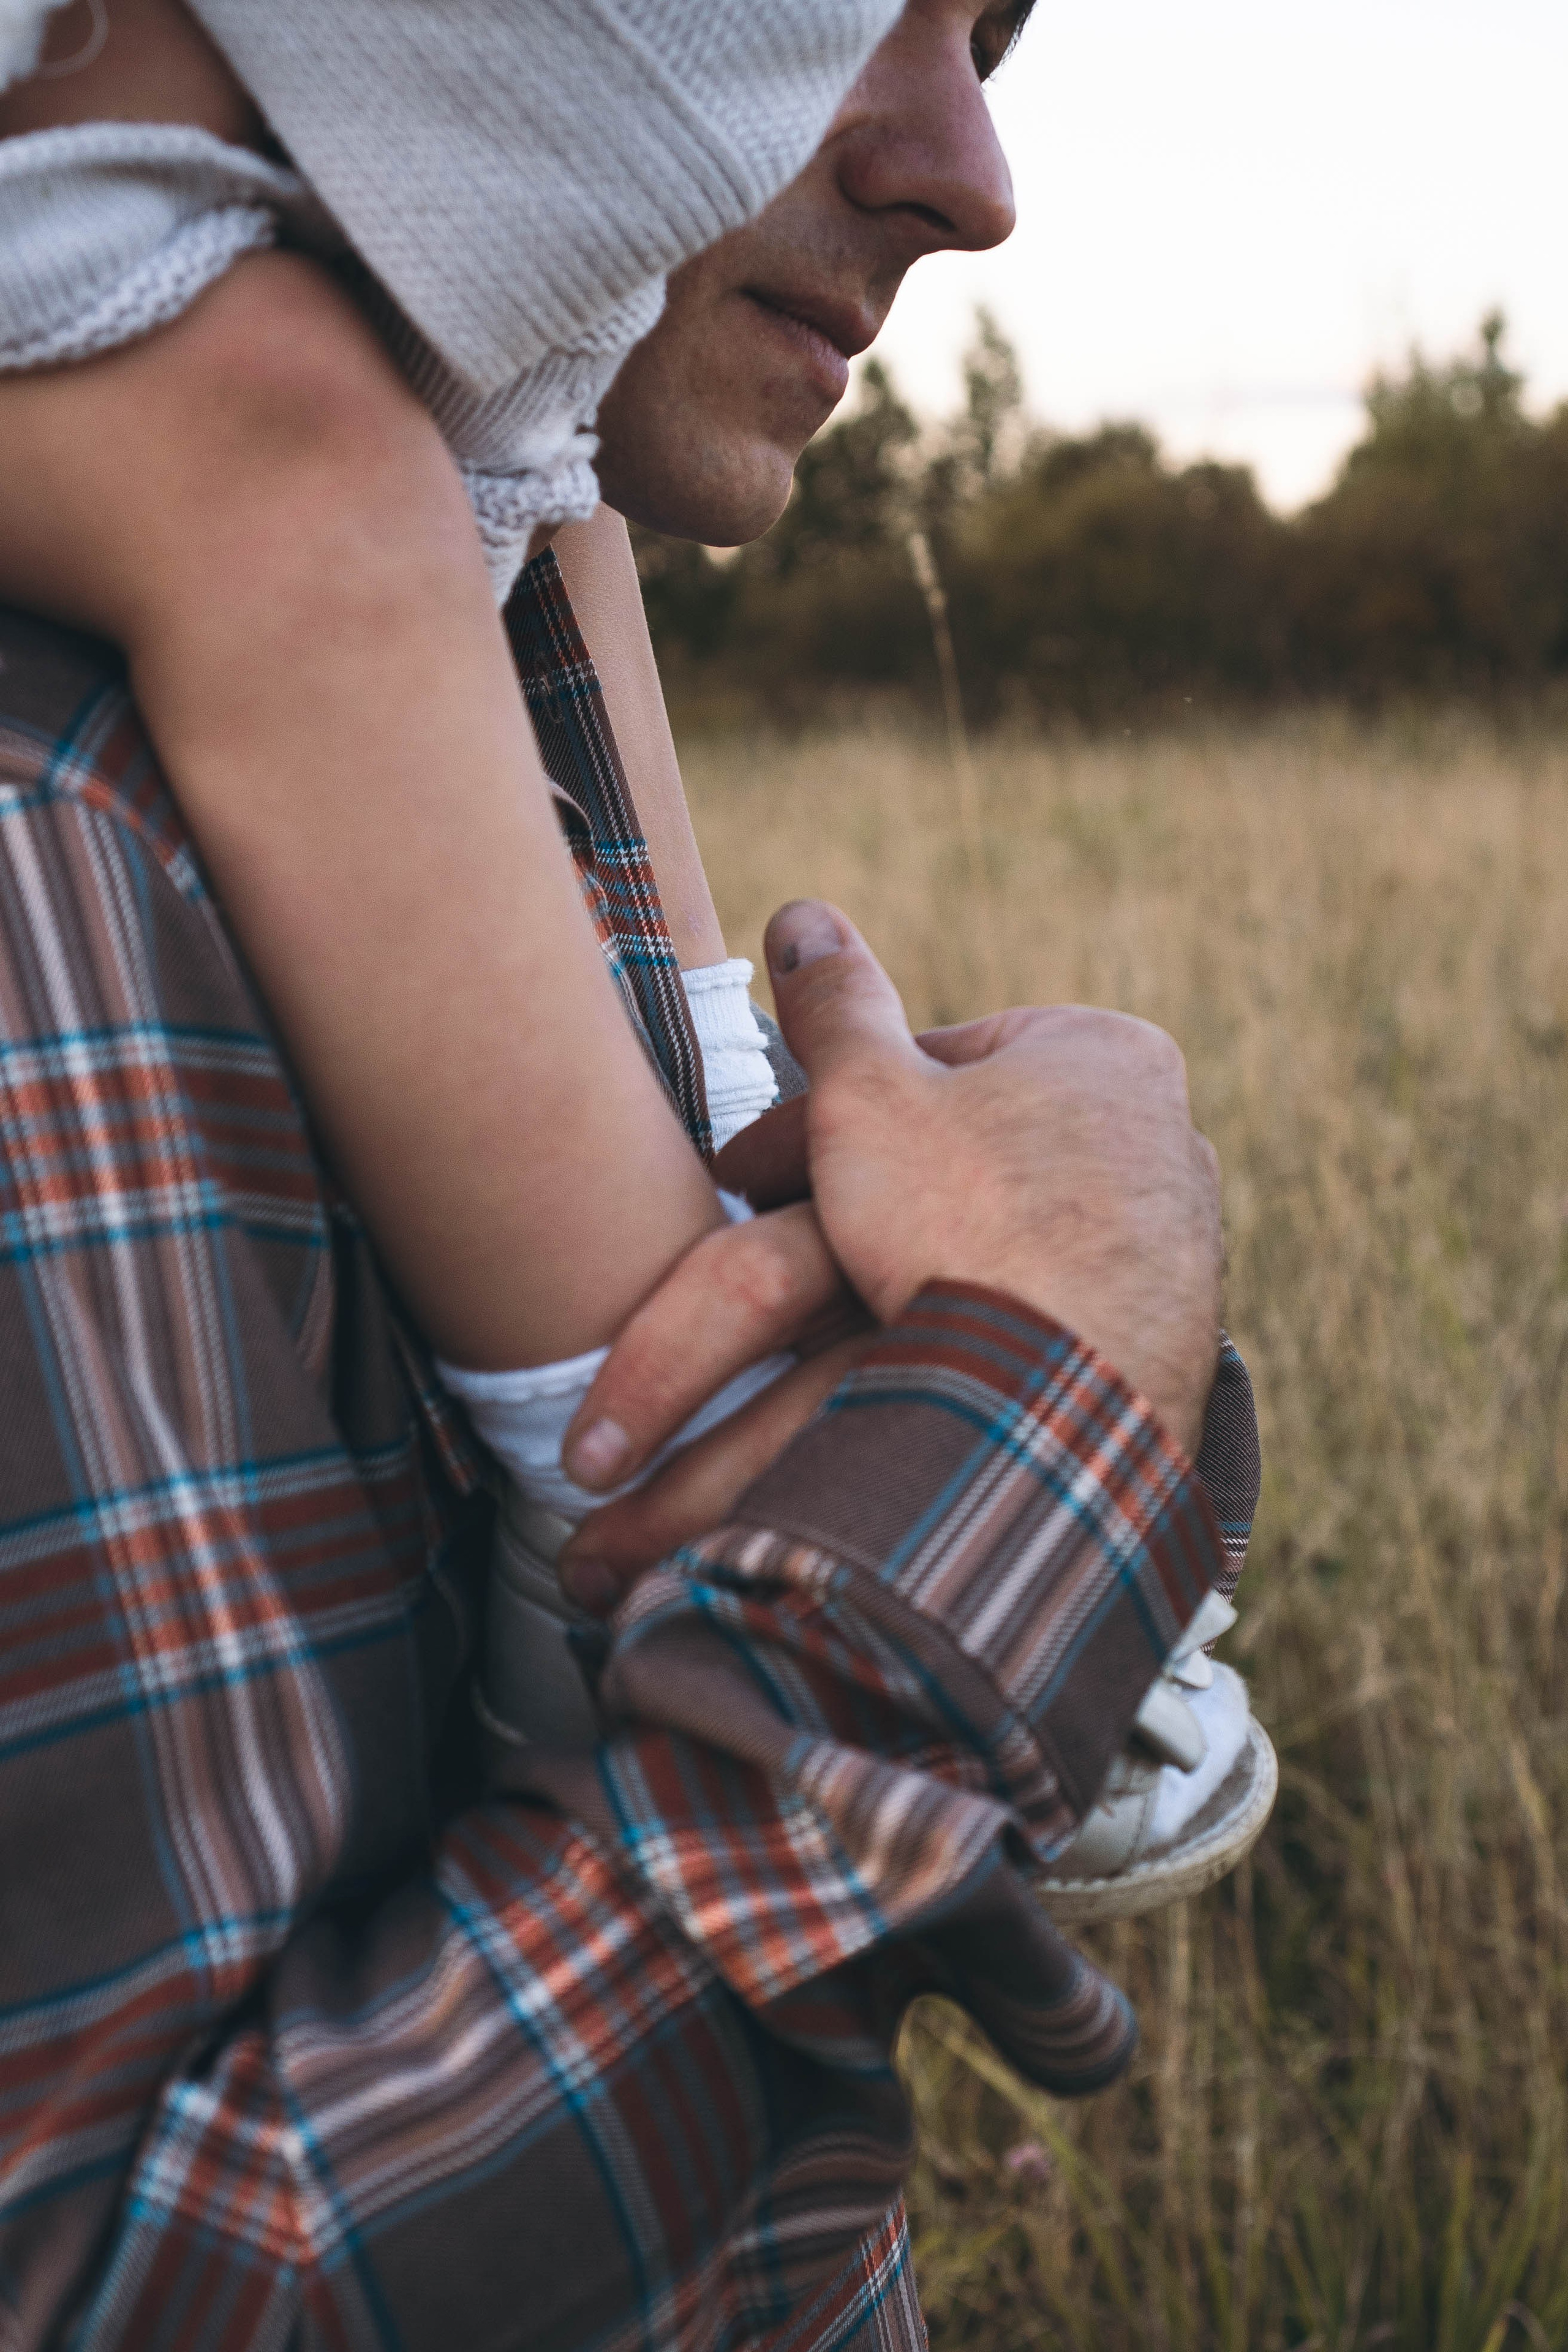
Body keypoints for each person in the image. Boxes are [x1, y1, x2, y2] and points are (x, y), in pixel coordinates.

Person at [0, 9, 1262, 2350]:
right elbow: (135, 2290)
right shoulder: (50, 838)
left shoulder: (480, 589)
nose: (976, 174)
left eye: (989, 33)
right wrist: (1019, 1445)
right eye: (835, 2)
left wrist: (1018, 1372)